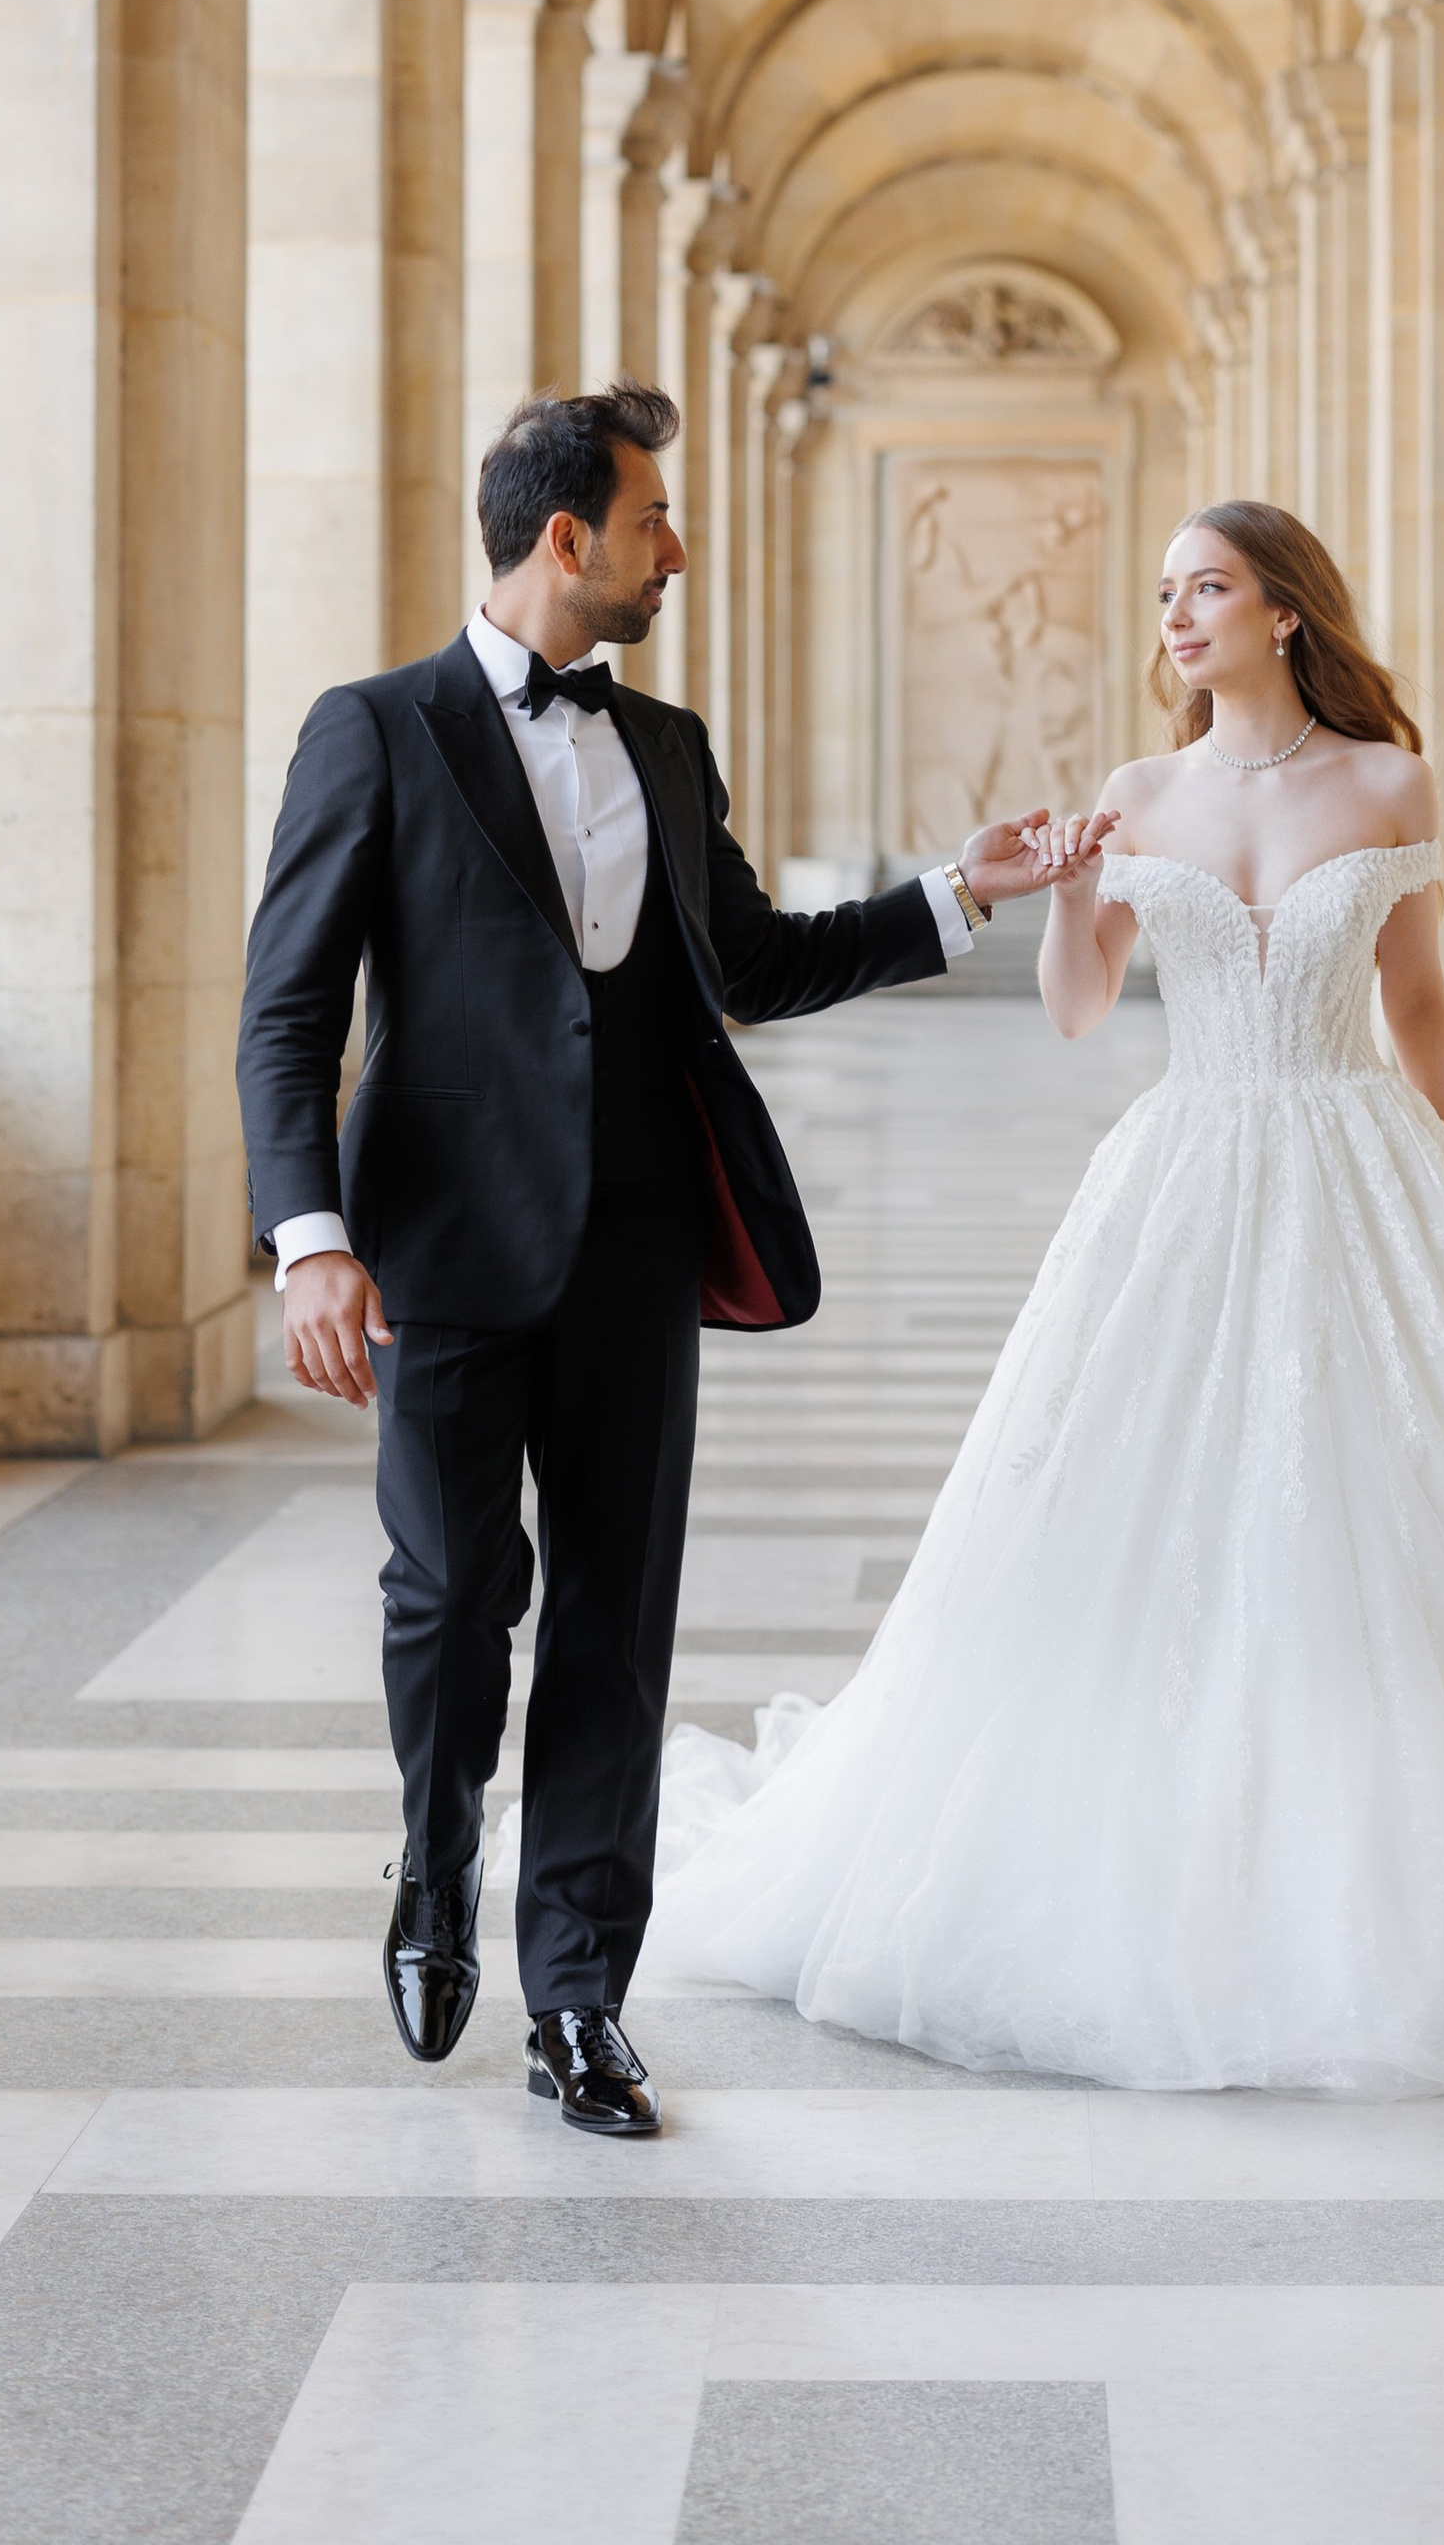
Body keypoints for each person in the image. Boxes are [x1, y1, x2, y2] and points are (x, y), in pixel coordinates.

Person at [650, 499, 1444, 2095]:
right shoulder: (1140, 791)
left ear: (1285, 612)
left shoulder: (1389, 783)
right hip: (1187, 1163)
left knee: (1377, 1514)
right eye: (1166, 594)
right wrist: (1062, 895)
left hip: (1357, 1155)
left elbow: (1422, 1001)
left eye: (1209, 589)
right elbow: (1079, 1010)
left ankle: (1404, 1852)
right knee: (1153, 1512)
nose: (1176, 617)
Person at [234, 380, 1099, 2137]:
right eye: (652, 522)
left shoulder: (671, 744)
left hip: (638, 1245)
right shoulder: (375, 730)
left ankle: (578, 1998)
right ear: (567, 539)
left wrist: (958, 892)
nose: (674, 551)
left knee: (617, 1632)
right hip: (445, 1251)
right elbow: (288, 1008)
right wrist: (309, 1237)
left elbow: (750, 961)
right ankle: (432, 1849)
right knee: (453, 1599)